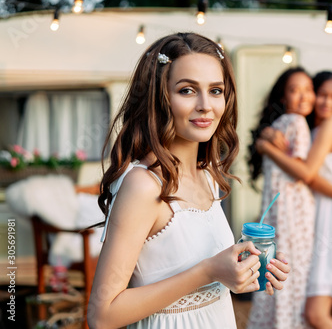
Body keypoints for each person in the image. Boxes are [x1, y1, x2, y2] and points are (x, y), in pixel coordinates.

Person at [87, 32, 290, 329]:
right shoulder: (144, 185)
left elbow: (206, 277)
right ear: (160, 97)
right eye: (187, 91)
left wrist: (245, 268)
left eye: (216, 91)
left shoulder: (207, 175)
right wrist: (208, 271)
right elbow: (102, 316)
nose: (206, 105)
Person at [256, 71, 332, 329]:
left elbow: (307, 175)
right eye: (323, 95)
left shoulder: (329, 125)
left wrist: (264, 146)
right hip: (326, 215)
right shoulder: (310, 126)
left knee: (317, 313)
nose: (327, 102)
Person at [246, 67, 316, 329]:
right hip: (287, 211)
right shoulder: (290, 123)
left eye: (308, 90)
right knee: (286, 272)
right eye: (294, 90)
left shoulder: (292, 123)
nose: (303, 96)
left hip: (290, 211)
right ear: (283, 96)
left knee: (276, 271)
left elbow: (300, 172)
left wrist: (264, 146)